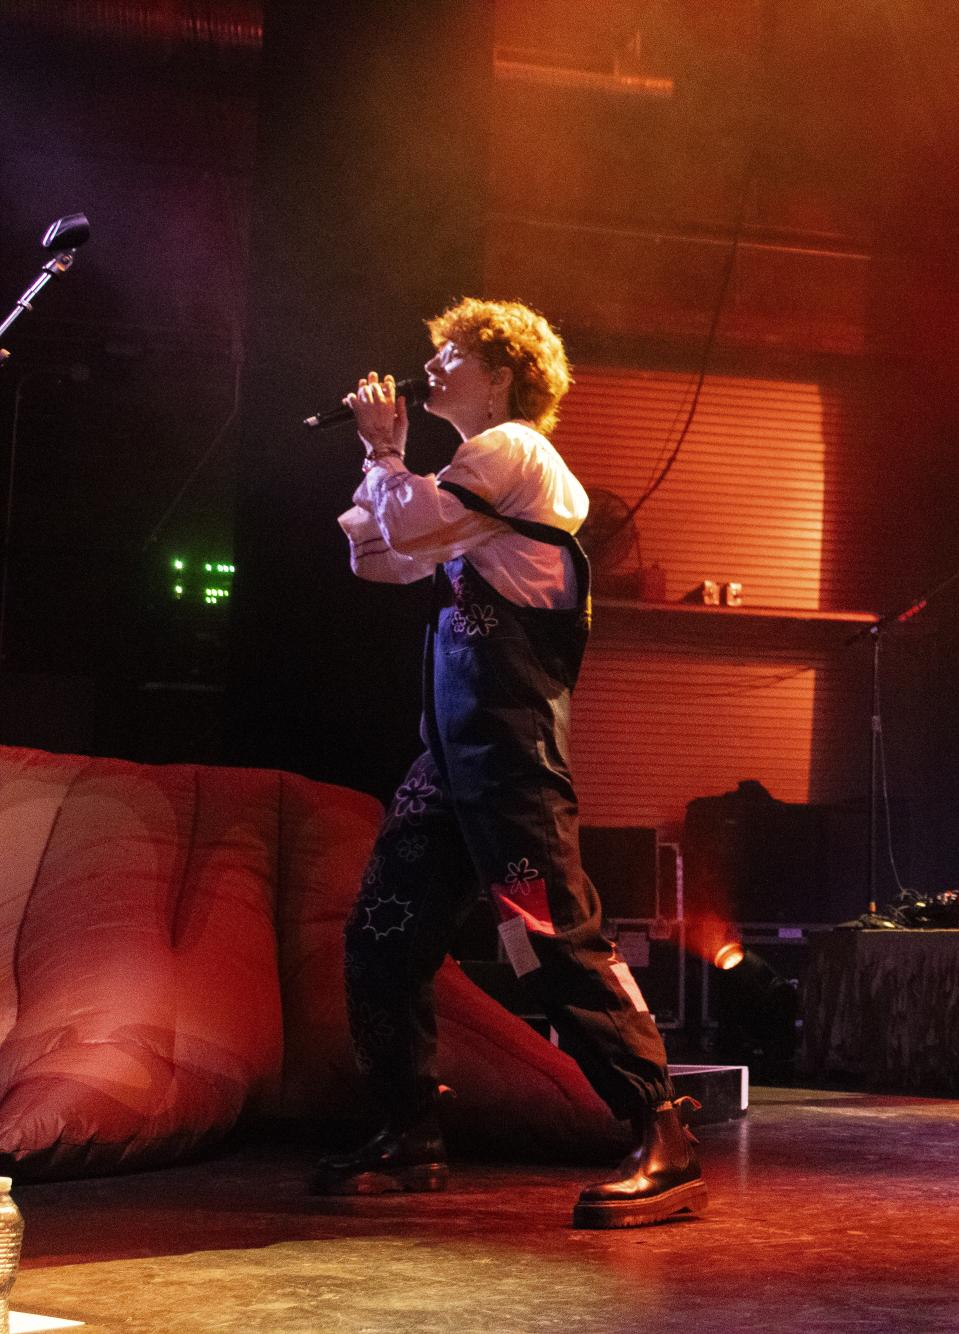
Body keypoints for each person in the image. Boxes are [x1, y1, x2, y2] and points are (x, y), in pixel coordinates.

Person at [312, 297, 704, 1229]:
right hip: (450, 760)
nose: (432, 363)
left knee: (550, 937)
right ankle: (410, 1132)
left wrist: (380, 454)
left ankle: (664, 1131)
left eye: (451, 352)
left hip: (508, 757)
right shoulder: (467, 479)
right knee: (383, 938)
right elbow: (385, 558)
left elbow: (398, 531)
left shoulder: (514, 450)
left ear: (501, 373)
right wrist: (385, 477)